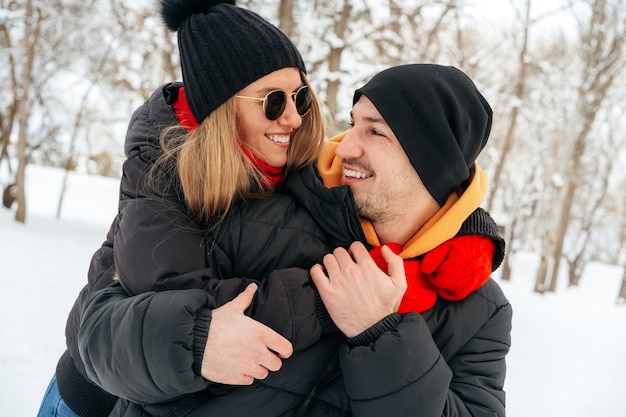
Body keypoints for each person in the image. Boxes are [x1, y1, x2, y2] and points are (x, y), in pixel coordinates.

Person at [77, 64, 511, 416]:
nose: (344, 148)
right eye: (353, 124)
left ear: (430, 165)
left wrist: (381, 335)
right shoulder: (266, 207)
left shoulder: (481, 311)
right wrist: (194, 341)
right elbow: (96, 326)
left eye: (375, 132)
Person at [36, 0, 331, 416]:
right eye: (272, 101)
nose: (293, 118)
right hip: (89, 401)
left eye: (300, 98)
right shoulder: (158, 171)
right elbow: (182, 302)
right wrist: (327, 296)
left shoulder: (282, 171)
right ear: (221, 106)